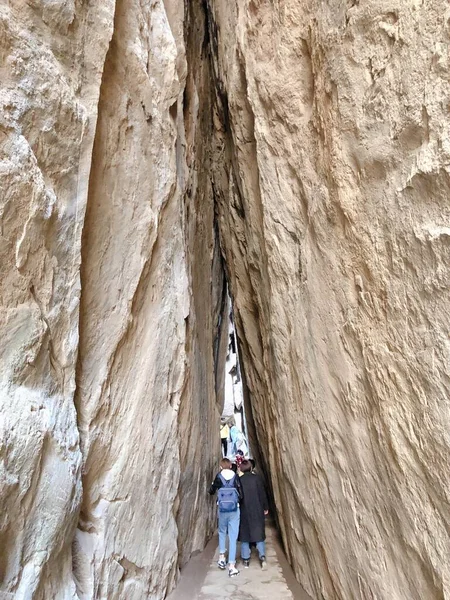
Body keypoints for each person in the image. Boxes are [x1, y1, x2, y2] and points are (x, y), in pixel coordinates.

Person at [209, 458, 244, 577]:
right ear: (230, 466)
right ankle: (232, 566)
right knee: (233, 536)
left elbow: (211, 491)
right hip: (234, 509)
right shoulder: (235, 476)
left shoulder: (219, 476)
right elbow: (241, 493)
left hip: (222, 509)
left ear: (220, 466)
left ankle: (221, 558)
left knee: (222, 532)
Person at [238, 460, 269, 569]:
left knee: (245, 535)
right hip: (257, 509)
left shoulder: (239, 480)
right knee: (258, 533)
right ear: (251, 468)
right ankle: (262, 556)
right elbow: (262, 494)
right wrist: (265, 507)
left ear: (241, 469)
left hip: (244, 510)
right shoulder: (257, 479)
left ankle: (246, 559)